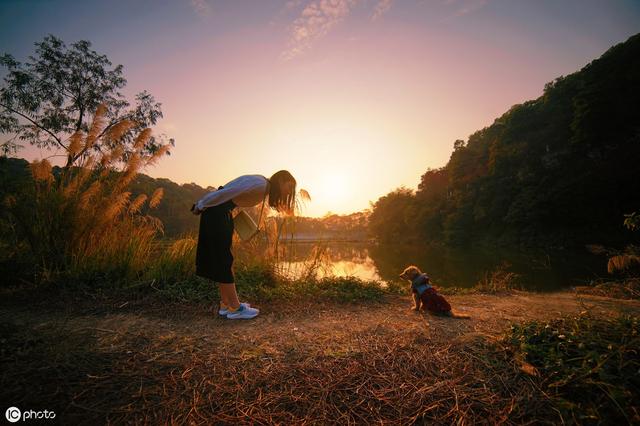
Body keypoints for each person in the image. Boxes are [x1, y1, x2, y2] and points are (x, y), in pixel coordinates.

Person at [191, 170, 297, 319]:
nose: (289, 192)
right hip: (217, 213)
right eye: (289, 186)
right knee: (224, 260)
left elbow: (233, 196)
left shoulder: (263, 187)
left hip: (221, 213)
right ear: (281, 181)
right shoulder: (260, 184)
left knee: (222, 260)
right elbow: (226, 192)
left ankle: (226, 304)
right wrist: (201, 204)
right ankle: (235, 308)